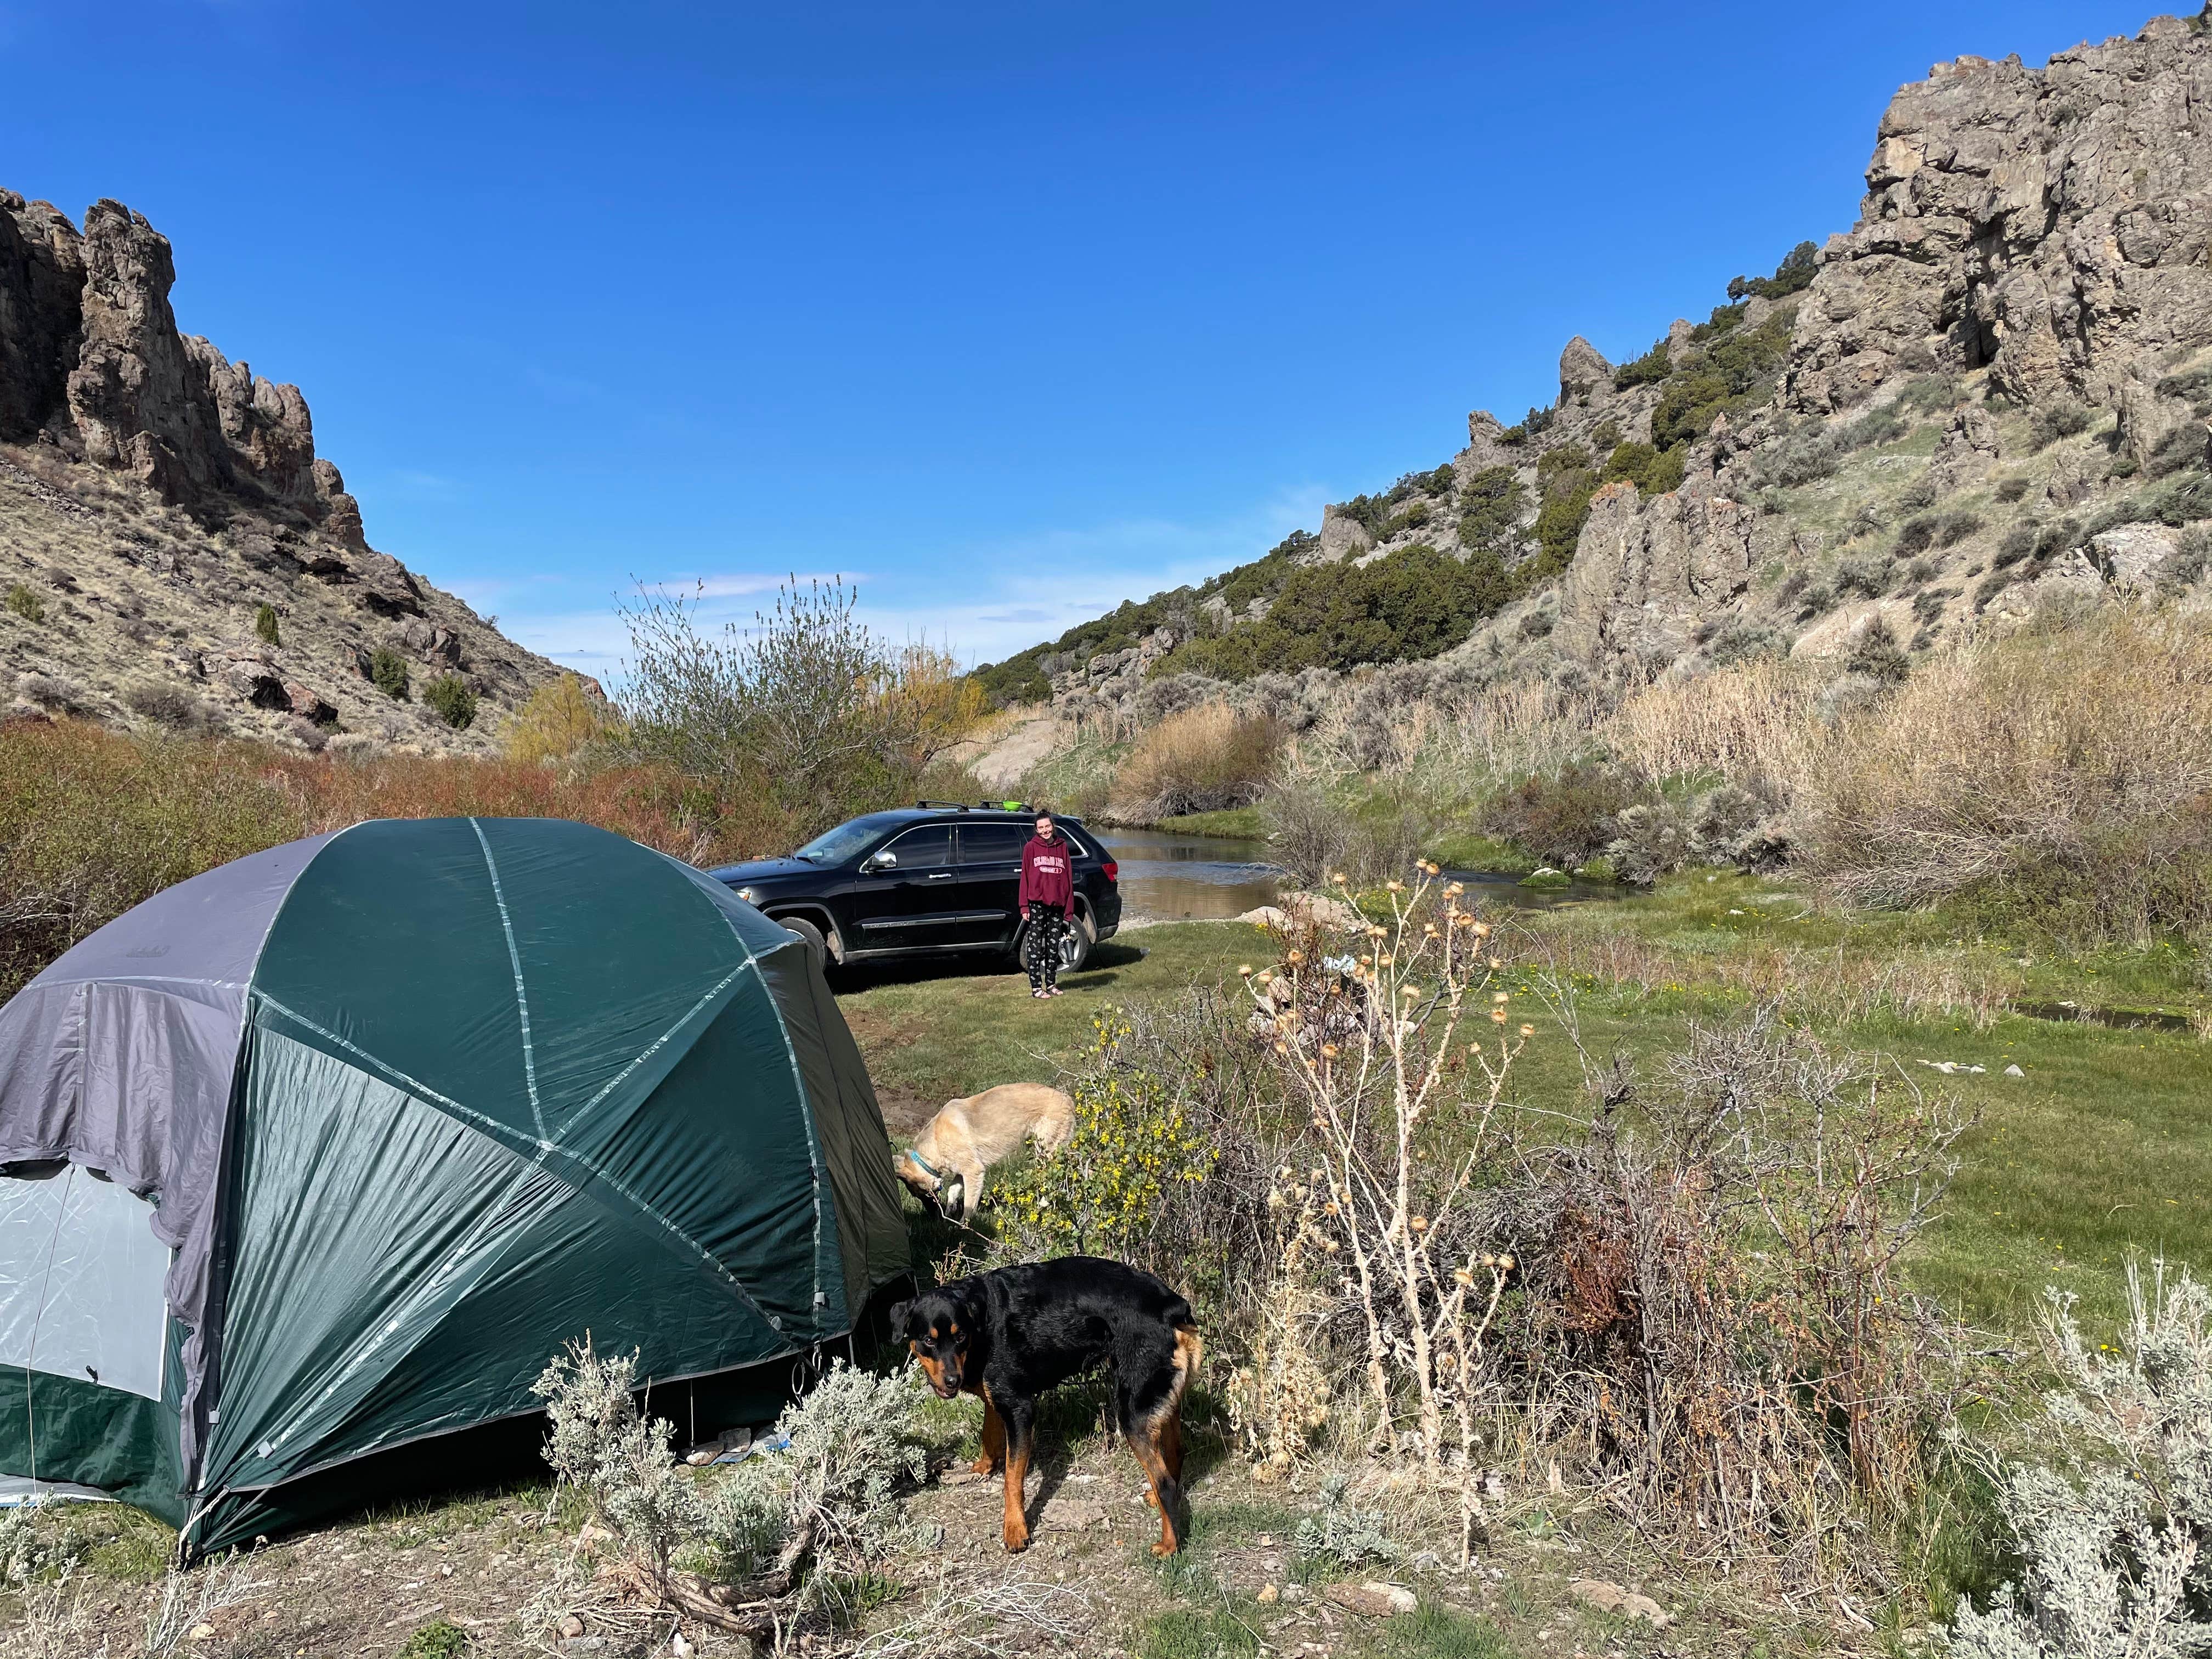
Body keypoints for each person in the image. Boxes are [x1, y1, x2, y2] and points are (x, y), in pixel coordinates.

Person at [1017, 811, 1075, 998]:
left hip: (1057, 903)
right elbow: (1024, 877)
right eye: (1041, 828)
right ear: (1036, 829)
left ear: (1053, 826)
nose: (1045, 831)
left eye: (1047, 826)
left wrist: (1069, 906)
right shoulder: (1030, 848)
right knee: (1035, 945)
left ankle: (1051, 984)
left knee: (1053, 945)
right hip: (1036, 904)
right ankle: (1036, 987)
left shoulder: (1062, 846)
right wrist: (1024, 906)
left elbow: (1068, 877)